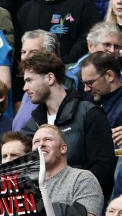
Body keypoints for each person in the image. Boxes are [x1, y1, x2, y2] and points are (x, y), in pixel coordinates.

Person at [22, 53, 116, 198]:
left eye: (29, 80)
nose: (24, 87)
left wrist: (66, 193)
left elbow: (103, 169)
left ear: (50, 78)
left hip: (82, 208)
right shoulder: (32, 125)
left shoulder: (89, 113)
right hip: (44, 210)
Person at [34, 125, 105, 216]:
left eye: (48, 139)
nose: (41, 145)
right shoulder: (26, 186)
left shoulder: (82, 179)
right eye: (36, 142)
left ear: (63, 148)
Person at [82, 52, 122, 129]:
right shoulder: (90, 103)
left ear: (109, 76)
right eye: (84, 83)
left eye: (89, 82)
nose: (86, 89)